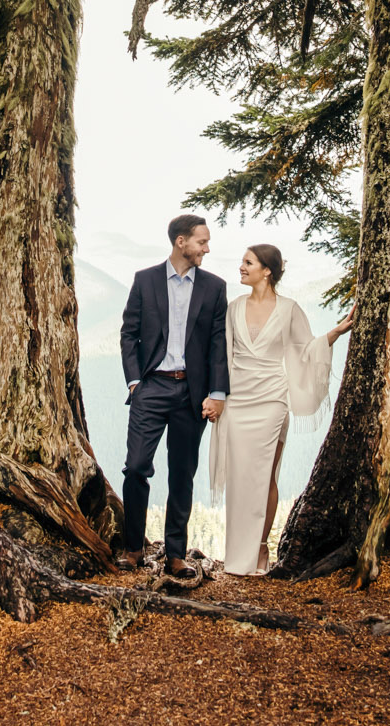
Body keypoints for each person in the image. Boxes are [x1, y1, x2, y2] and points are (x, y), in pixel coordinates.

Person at [211, 244, 353, 576]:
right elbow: (220, 355)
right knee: (240, 476)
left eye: (248, 262)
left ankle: (260, 548)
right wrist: (215, 396)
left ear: (267, 271)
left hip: (273, 400)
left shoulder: (289, 309)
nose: (241, 267)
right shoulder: (233, 308)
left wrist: (336, 331)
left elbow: (306, 349)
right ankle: (237, 554)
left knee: (265, 475)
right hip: (238, 401)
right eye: (242, 261)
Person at [118, 213, 230, 577]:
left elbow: (217, 343)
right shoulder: (145, 280)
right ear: (181, 242)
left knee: (182, 474)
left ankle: (176, 555)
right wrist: (135, 383)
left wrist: (216, 393)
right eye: (202, 241)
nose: (207, 248)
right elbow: (128, 334)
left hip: (191, 392)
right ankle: (133, 547)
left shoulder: (214, 287)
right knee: (136, 467)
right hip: (151, 387)